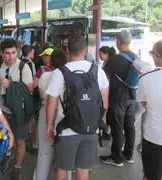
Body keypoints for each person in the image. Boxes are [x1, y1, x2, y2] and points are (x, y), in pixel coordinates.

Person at [46, 35, 109, 180]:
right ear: (86, 50)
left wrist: (49, 125)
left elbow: (51, 102)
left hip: (66, 129)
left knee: (62, 170)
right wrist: (99, 122)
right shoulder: (98, 70)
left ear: (67, 50)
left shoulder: (60, 72)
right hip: (91, 129)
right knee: (83, 171)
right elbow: (104, 102)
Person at [100, 30, 138, 167]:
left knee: (117, 128)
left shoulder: (116, 59)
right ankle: (128, 155)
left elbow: (103, 77)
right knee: (130, 127)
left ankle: (116, 158)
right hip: (132, 98)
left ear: (119, 42)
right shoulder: (136, 57)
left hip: (118, 99)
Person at [0, 39, 33, 180]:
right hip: (3, 111)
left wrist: (12, 85)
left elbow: (29, 88)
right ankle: (5, 160)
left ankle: (17, 167)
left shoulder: (23, 66)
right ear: (1, 53)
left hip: (20, 112)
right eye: (7, 53)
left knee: (19, 141)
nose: (11, 56)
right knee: (3, 140)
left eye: (13, 52)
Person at [33, 48, 68, 180]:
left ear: (51, 62)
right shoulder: (68, 76)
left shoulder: (45, 76)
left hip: (45, 112)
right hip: (64, 116)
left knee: (44, 152)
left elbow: (42, 94)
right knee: (65, 154)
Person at [138, 40, 162, 180]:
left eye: (152, 53)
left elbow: (143, 104)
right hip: (153, 136)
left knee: (151, 175)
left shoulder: (145, 79)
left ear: (157, 56)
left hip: (154, 136)